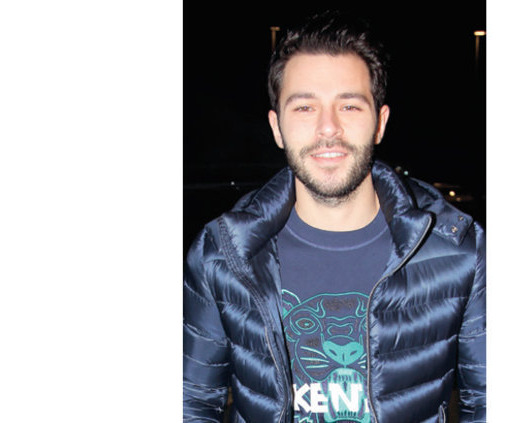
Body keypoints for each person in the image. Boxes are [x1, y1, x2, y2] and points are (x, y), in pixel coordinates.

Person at [183, 10, 485, 423]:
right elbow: (191, 405)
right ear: (277, 127)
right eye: (305, 107)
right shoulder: (222, 255)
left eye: (350, 106)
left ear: (379, 123)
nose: (328, 128)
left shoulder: (458, 251)